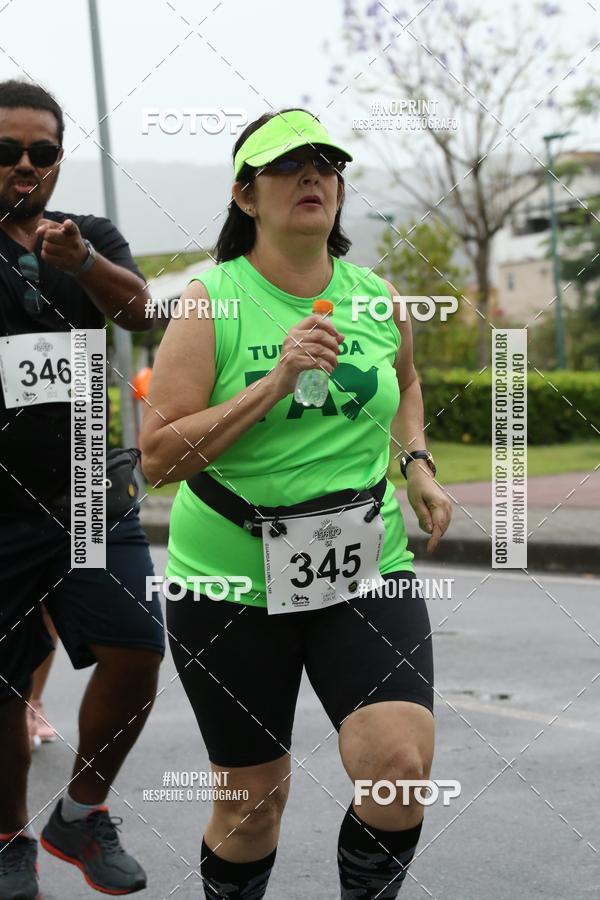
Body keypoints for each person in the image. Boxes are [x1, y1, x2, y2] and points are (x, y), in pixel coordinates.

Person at [140, 107, 452, 899]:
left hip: (363, 564)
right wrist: (275, 382)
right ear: (245, 195)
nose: (312, 176)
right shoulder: (211, 301)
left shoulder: (377, 298)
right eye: (286, 165)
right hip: (229, 583)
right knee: (252, 806)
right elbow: (158, 457)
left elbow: (407, 381)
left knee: (398, 768)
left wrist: (416, 462)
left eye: (325, 164)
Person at [0, 80, 165, 899]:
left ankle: (80, 814)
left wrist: (85, 264)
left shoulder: (88, 235)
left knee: (138, 649)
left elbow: (140, 314)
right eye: (7, 151)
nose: (25, 165)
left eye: (42, 151)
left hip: (88, 490)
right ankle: (8, 839)